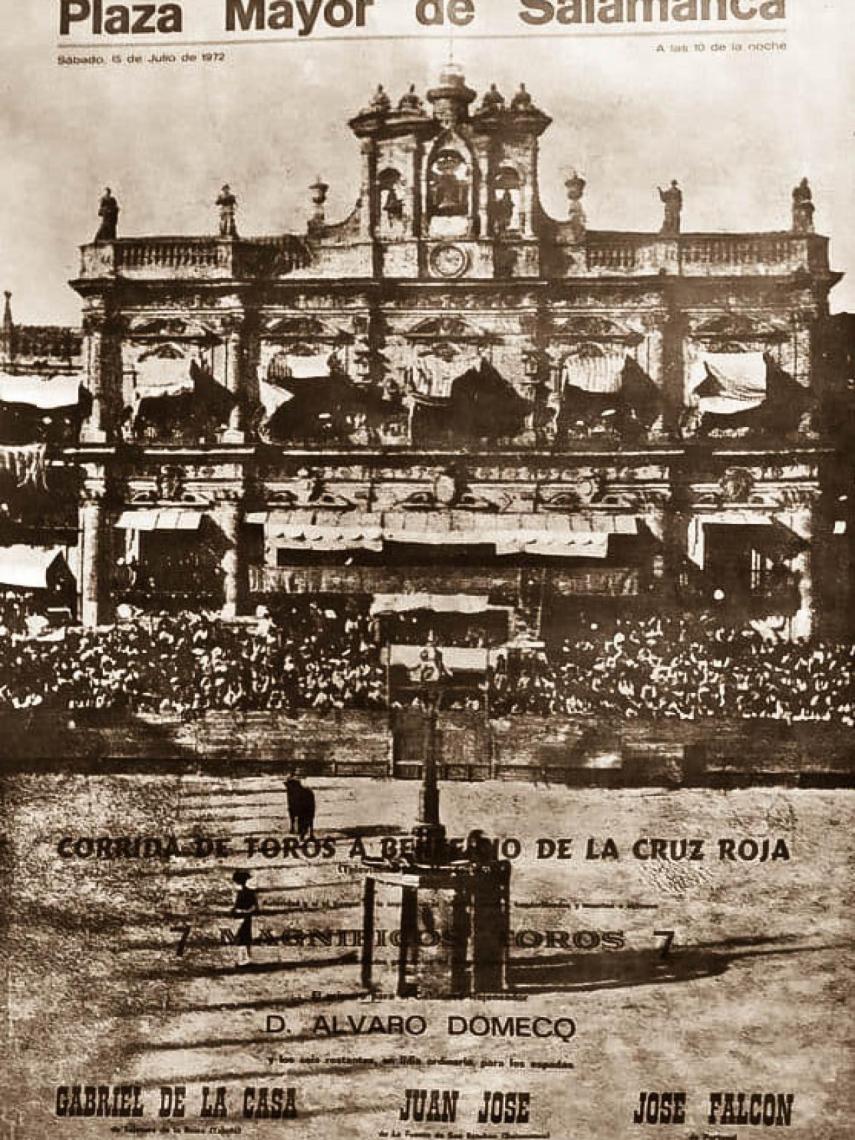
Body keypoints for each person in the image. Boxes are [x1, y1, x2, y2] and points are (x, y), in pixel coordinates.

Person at [231, 870, 259, 968]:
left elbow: (252, 907)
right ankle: (244, 959)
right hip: (246, 918)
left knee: (241, 939)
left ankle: (243, 960)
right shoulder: (249, 892)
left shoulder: (242, 893)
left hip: (242, 919)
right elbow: (254, 907)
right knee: (244, 938)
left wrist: (241, 911)